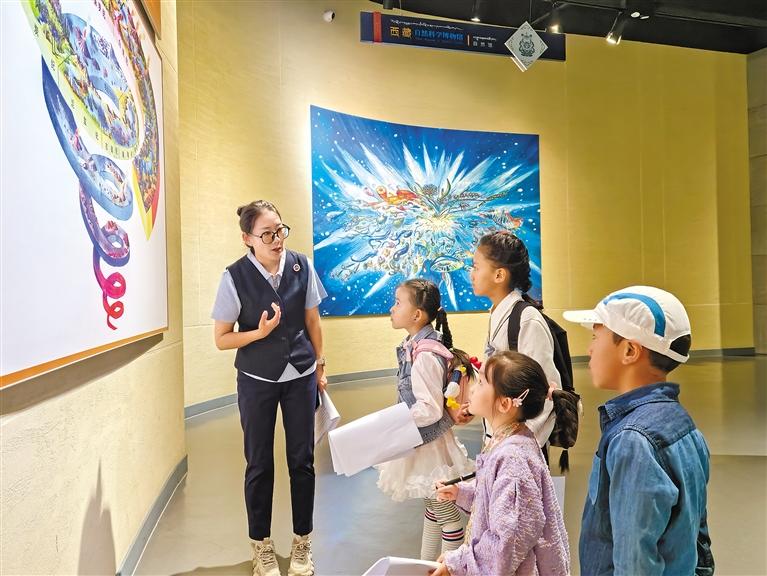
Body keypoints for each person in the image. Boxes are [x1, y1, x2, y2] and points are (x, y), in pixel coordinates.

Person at [563, 285, 714, 575]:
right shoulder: (683, 423)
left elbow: (634, 561)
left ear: (630, 350)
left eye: (596, 337)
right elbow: (698, 535)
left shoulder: (632, 440)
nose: (589, 349)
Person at [212, 200, 327, 576]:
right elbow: (221, 339)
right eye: (267, 234)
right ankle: (261, 546)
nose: (277, 239)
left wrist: (320, 365)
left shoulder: (301, 265)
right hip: (256, 380)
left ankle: (302, 543)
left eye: (280, 230)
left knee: (302, 461)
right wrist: (257, 334)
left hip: (301, 375)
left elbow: (312, 320)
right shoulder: (234, 277)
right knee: (259, 463)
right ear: (247, 238)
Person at [432, 351, 570, 576]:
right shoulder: (510, 439)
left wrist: (458, 563)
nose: (473, 388)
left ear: (505, 404)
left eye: (482, 382)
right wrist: (462, 493)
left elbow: (507, 540)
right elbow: (500, 502)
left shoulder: (512, 459)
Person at [377, 279, 476, 561]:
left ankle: (448, 568)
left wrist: (395, 421)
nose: (392, 308)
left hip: (429, 449)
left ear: (417, 315)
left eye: (398, 303)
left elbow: (430, 409)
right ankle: (427, 565)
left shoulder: (425, 355)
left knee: (447, 517)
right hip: (424, 443)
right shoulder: (415, 346)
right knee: (433, 510)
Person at [470, 231, 561, 449]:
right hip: (499, 437)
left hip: (517, 446)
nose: (471, 274)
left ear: (499, 275)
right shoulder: (499, 313)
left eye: (476, 267)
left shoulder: (527, 320)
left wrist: (520, 444)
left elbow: (544, 393)